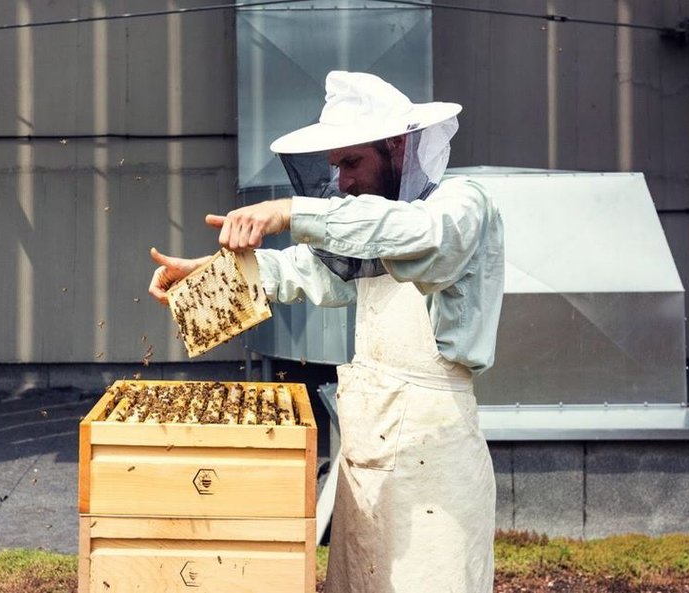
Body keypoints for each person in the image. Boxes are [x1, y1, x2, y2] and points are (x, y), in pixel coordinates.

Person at [149, 71, 504, 593]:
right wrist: (205, 277)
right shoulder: (375, 231)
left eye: (353, 162)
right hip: (367, 465)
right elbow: (300, 271)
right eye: (336, 168)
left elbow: (421, 238)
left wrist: (289, 211)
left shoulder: (461, 205)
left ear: (398, 147)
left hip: (437, 474)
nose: (343, 183)